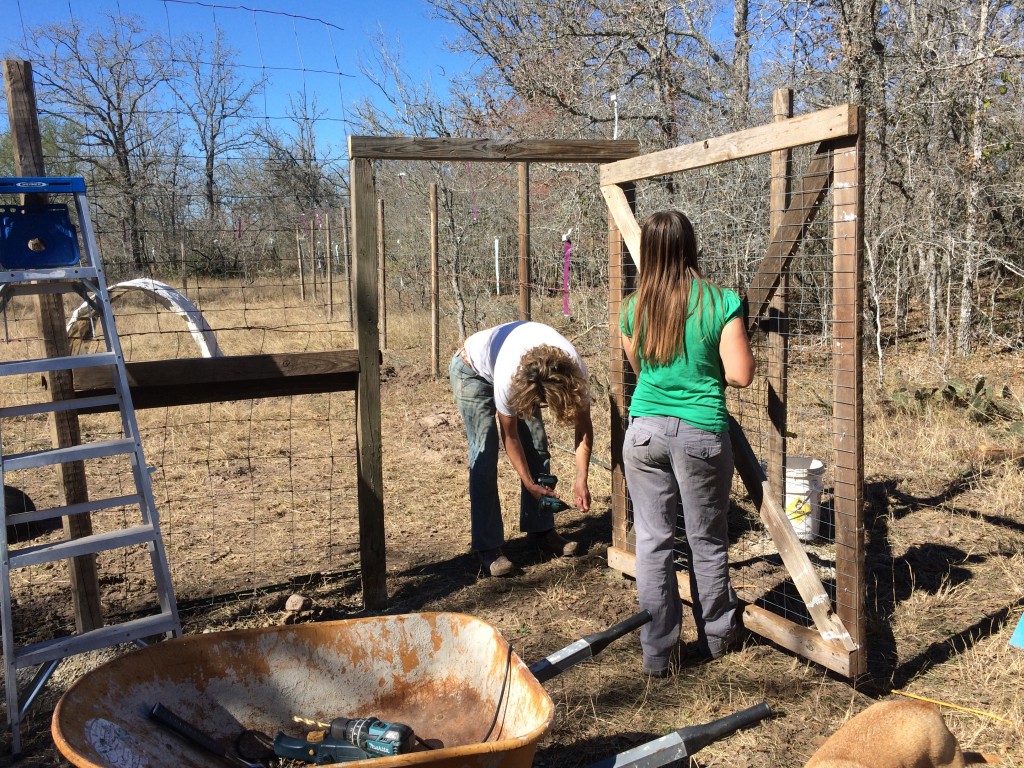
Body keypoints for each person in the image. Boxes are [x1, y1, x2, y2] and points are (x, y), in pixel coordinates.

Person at [620, 210, 755, 677]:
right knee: (706, 540)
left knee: (654, 543)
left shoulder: (633, 306)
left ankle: (658, 654)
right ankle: (717, 636)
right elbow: (740, 375)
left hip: (643, 434)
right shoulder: (721, 302)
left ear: (649, 254)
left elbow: (640, 369)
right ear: (691, 245)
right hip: (700, 431)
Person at [449, 321, 594, 577]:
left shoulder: (574, 372)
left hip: (525, 372)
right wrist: (528, 482)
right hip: (472, 371)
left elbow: (583, 430)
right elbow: (511, 434)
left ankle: (541, 531)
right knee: (485, 454)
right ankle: (489, 548)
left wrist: (581, 478)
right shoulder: (510, 378)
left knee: (538, 446)